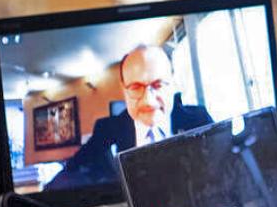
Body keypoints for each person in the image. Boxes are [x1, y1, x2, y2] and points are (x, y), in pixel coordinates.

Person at [45, 44, 213, 191]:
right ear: (124, 89)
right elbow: (71, 172)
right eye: (135, 87)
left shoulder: (199, 120)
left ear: (173, 83)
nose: (148, 100)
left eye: (158, 85)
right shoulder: (106, 130)